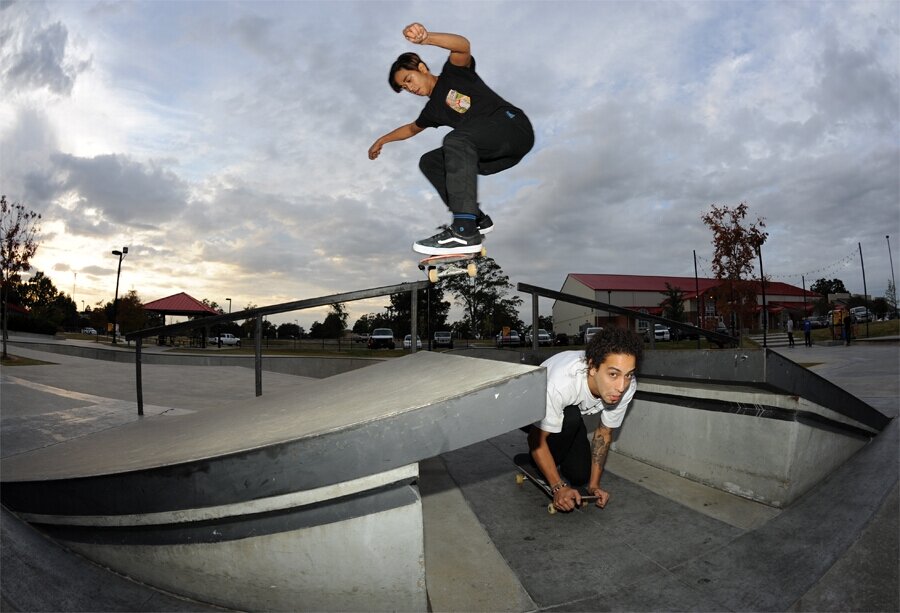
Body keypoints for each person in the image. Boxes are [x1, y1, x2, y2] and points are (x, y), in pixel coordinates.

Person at [368, 23, 534, 256]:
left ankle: (464, 230)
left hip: (512, 128)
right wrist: (381, 140)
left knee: (455, 140)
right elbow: (411, 129)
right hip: (495, 156)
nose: (409, 88)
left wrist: (426, 38)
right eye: (404, 87)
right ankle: (475, 217)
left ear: (422, 68)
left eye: (409, 79)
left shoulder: (453, 74)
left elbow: (463, 47)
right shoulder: (432, 111)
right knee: (430, 161)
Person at [524, 326, 644, 512]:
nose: (621, 387)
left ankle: (554, 455)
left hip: (566, 414)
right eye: (613, 374)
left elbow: (604, 433)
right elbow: (536, 440)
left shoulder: (627, 386)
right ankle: (536, 460)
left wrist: (594, 486)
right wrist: (558, 486)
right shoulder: (561, 383)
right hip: (528, 406)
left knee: (580, 476)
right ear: (593, 367)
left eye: (628, 375)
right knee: (570, 416)